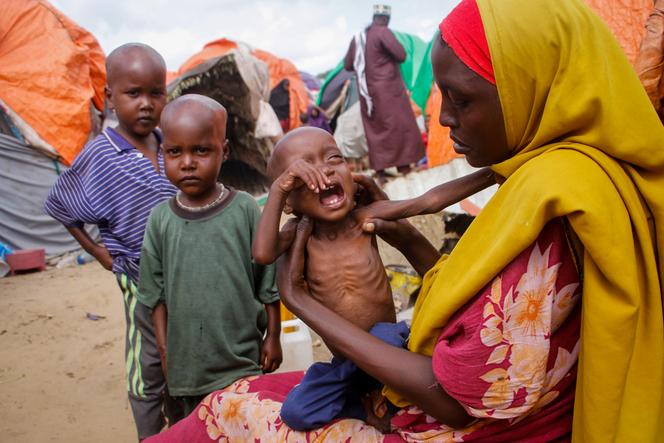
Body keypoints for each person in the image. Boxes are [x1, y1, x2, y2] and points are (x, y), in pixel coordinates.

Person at [144, 0, 664, 441]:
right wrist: (417, 233)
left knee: (229, 413)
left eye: (461, 99)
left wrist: (299, 300)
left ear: (527, 86)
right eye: (444, 98)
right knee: (294, 402)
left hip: (442, 403)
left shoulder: (553, 191)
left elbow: (453, 397)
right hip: (385, 365)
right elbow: (266, 251)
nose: (443, 119)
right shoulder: (558, 180)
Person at [251, 125, 493, 431]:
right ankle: (369, 405)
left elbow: (428, 201)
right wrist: (280, 187)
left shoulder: (364, 218)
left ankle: (388, 398)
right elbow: (262, 253)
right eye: (303, 174)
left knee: (383, 335)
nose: (323, 173)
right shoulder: (299, 235)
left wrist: (493, 173)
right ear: (289, 200)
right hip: (348, 362)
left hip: (391, 344)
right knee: (296, 411)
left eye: (333, 159)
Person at [44, 43, 178, 440]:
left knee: (182, 350)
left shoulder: (169, 143)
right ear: (109, 97)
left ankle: (183, 425)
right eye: (133, 94)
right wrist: (100, 253)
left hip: (183, 272)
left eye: (156, 92)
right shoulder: (101, 155)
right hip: (138, 277)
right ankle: (150, 431)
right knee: (149, 357)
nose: (146, 104)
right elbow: (61, 205)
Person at [137, 94, 282, 422]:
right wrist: (164, 351)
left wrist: (273, 336)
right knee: (199, 428)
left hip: (243, 358)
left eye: (200, 150)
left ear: (224, 151)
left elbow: (268, 281)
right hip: (188, 365)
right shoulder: (160, 220)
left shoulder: (244, 208)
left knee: (247, 424)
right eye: (175, 152)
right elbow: (154, 296)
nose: (187, 162)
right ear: (163, 155)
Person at [343, 4, 425, 183]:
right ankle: (404, 167)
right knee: (399, 127)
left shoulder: (358, 38)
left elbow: (348, 64)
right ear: (386, 18)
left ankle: (380, 172)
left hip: (367, 95)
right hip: (389, 92)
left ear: (374, 17)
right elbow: (401, 54)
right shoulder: (383, 32)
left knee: (376, 131)